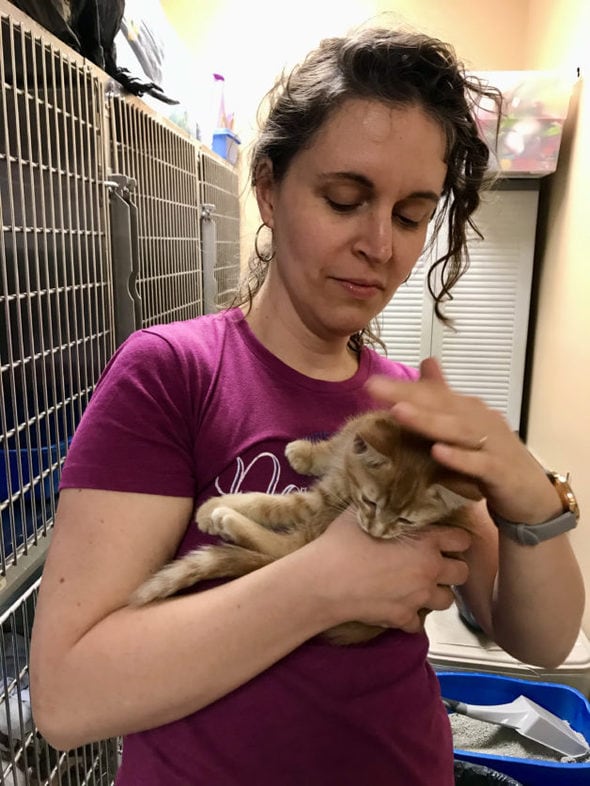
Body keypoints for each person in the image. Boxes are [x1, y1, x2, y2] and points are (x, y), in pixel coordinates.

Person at [29, 26, 584, 786]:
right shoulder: (174, 375)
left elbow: (546, 640)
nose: (379, 245)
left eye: (411, 214)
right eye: (345, 199)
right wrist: (324, 584)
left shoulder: (410, 409)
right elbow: (66, 698)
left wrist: (531, 501)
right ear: (268, 186)